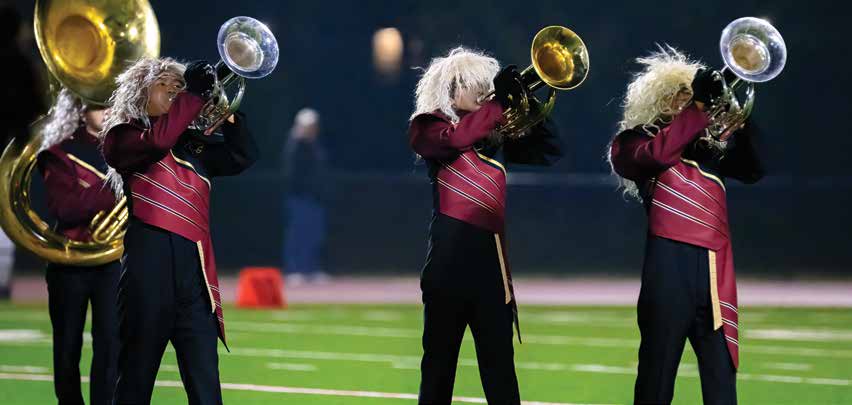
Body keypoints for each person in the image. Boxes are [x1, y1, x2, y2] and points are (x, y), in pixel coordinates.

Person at [607, 46, 764, 405]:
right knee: (657, 376)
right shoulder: (631, 142)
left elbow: (753, 170)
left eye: (692, 95)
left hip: (715, 271)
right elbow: (658, 154)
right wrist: (697, 111)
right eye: (680, 95)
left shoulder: (708, 149)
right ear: (658, 100)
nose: (690, 101)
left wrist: (741, 124)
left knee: (722, 378)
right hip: (668, 269)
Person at [408, 46, 562, 405]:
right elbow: (456, 139)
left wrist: (525, 100)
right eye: (470, 84)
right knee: (438, 372)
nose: (481, 90)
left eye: (484, 83)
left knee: (501, 374)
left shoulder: (496, 136)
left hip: (492, 273)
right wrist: (497, 104)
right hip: (447, 270)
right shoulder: (427, 127)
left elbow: (551, 150)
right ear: (449, 91)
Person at [101, 57, 258, 404]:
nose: (174, 91)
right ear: (140, 93)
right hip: (147, 277)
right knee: (135, 384)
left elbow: (243, 155)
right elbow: (159, 142)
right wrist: (192, 96)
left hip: (195, 282)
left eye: (179, 87)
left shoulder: (192, 145)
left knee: (206, 390)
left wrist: (225, 111)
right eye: (164, 85)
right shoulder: (123, 137)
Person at [37, 88, 119, 405]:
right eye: (99, 106)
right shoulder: (59, 150)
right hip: (69, 262)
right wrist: (115, 185)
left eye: (112, 105)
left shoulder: (126, 149)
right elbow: (66, 208)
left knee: (111, 346)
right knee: (67, 348)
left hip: (111, 263)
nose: (108, 111)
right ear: (83, 111)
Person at [0, 3, 45, 300]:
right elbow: (35, 108)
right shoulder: (21, 63)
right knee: (5, 221)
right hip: (9, 150)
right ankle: (1, 285)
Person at [281, 107, 329, 285]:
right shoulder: (295, 145)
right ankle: (294, 269)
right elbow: (292, 173)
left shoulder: (314, 145)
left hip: (314, 198)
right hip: (299, 197)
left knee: (314, 235)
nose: (312, 129)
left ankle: (310, 269)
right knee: (297, 234)